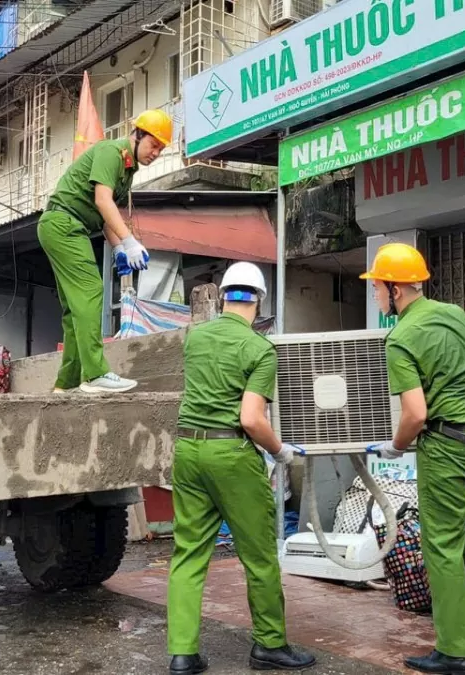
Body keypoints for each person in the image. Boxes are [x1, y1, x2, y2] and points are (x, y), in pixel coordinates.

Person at [362, 242, 465, 674]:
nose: (375, 293)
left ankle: (454, 651)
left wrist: (395, 446)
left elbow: (415, 413)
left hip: (450, 444)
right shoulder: (454, 314)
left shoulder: (401, 338)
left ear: (395, 289)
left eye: (377, 286)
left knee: (443, 545)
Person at [165, 262, 316, 674]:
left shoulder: (195, 338)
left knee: (189, 553)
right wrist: (282, 451)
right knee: (259, 554)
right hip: (231, 454)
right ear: (258, 300)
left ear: (224, 296)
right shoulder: (259, 349)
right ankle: (269, 644)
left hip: (188, 451)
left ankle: (182, 652)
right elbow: (251, 419)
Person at [39, 109, 173, 394]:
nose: (156, 153)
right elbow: (102, 201)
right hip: (64, 223)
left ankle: (67, 382)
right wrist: (131, 241)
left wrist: (120, 248)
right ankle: (96, 374)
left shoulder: (128, 170)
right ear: (137, 135)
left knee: (74, 307)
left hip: (65, 226)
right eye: (154, 144)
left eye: (161, 149)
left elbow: (105, 217)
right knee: (90, 290)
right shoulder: (111, 152)